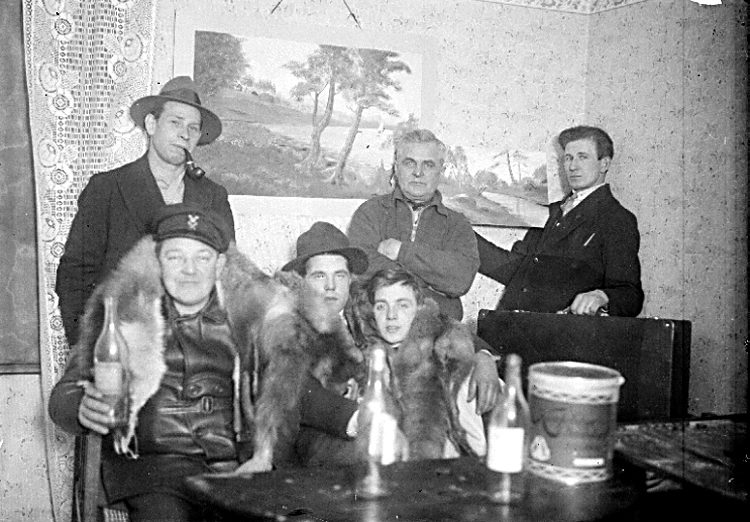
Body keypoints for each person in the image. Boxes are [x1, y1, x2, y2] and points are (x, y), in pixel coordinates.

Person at [48, 204, 355, 521]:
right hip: (156, 473)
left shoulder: (248, 318)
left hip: (235, 469)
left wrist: (353, 416)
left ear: (219, 264)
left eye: (202, 258)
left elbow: (293, 384)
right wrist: (81, 406)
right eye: (176, 257)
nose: (190, 270)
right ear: (158, 260)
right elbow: (65, 394)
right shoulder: (128, 314)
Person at [282, 222, 498, 465]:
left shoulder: (367, 309)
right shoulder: (288, 325)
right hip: (328, 435)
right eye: (319, 275)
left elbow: (437, 322)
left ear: (350, 279)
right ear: (300, 281)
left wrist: (483, 356)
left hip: (387, 424)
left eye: (339, 275)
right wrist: (360, 418)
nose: (331, 286)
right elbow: (302, 393)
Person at [56, 76, 235, 346]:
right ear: (152, 125)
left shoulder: (213, 196)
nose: (184, 134)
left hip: (193, 348)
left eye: (193, 128)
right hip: (122, 342)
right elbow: (75, 274)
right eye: (175, 122)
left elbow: (228, 273)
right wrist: (90, 346)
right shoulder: (107, 188)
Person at [477, 125, 644, 317]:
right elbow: (515, 271)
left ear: (604, 164)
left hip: (560, 332)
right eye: (568, 158)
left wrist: (602, 296)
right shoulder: (554, 211)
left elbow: (630, 295)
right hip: (511, 324)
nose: (573, 166)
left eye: (583, 157)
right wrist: (461, 233)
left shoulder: (616, 219)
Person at [347, 129, 480, 322]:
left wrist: (402, 251)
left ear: (441, 171)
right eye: (409, 163)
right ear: (396, 167)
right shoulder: (371, 212)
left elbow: (460, 280)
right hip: (376, 327)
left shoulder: (457, 224)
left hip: (436, 330)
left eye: (428, 164)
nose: (418, 172)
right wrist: (430, 284)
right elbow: (361, 270)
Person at [358, 268, 487, 460]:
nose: (391, 315)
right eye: (381, 306)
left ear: (419, 309)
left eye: (402, 305)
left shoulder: (446, 362)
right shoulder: (367, 358)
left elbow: (476, 448)